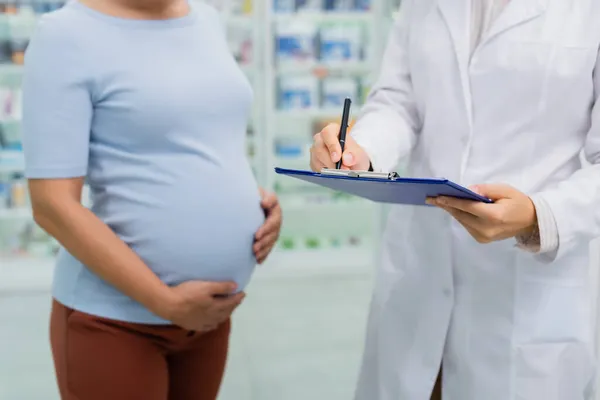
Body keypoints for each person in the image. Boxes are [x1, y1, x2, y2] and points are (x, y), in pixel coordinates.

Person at [310, 1, 600, 399]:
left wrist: (539, 215)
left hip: (524, 297)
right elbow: (399, 101)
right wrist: (362, 150)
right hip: (419, 274)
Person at [21, 0, 282, 399]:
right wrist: (165, 302)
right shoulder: (66, 35)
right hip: (113, 321)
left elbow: (202, 138)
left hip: (207, 317)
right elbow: (52, 205)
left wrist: (255, 203)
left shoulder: (205, 18)